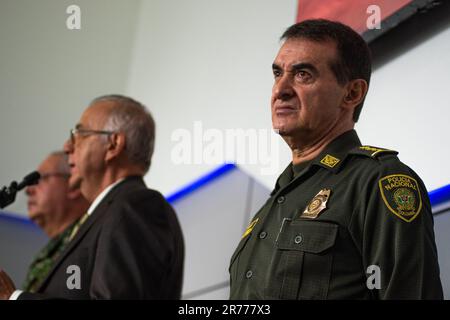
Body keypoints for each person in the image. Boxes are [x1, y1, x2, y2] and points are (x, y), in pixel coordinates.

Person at [229, 19, 443, 299]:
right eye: (277, 73)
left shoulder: (379, 182)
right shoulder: (271, 205)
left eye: (303, 74)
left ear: (352, 93)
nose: (280, 90)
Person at [0, 94, 184, 299]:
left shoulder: (137, 206)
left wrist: (13, 298)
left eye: (79, 134)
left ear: (113, 145)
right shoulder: (104, 215)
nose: (67, 147)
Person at [22, 151, 89, 293]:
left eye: (40, 179)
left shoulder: (88, 243)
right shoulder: (54, 248)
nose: (28, 190)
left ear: (73, 185)